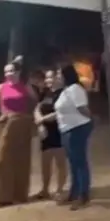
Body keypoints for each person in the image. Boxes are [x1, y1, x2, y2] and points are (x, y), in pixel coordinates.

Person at [0, 59, 38, 208]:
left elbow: (35, 103)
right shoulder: (1, 88)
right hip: (7, 123)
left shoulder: (26, 87)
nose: (9, 74)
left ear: (18, 72)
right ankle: (1, 197)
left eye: (12, 71)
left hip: (23, 124)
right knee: (3, 159)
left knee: (22, 160)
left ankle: (20, 195)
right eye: (6, 71)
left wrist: (32, 118)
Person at [55, 64, 94, 210]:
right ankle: (74, 192)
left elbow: (82, 108)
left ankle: (83, 195)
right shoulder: (65, 91)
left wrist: (91, 119)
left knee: (80, 162)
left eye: (59, 74)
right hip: (67, 129)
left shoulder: (75, 89)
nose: (58, 77)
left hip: (77, 128)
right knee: (73, 163)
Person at [31, 69, 67, 201]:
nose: (48, 81)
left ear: (57, 78)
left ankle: (59, 190)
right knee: (45, 162)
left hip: (58, 130)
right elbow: (37, 108)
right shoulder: (45, 93)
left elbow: (60, 113)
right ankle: (45, 190)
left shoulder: (63, 93)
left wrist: (42, 119)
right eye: (46, 78)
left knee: (60, 162)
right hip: (45, 132)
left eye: (51, 77)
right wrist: (40, 124)